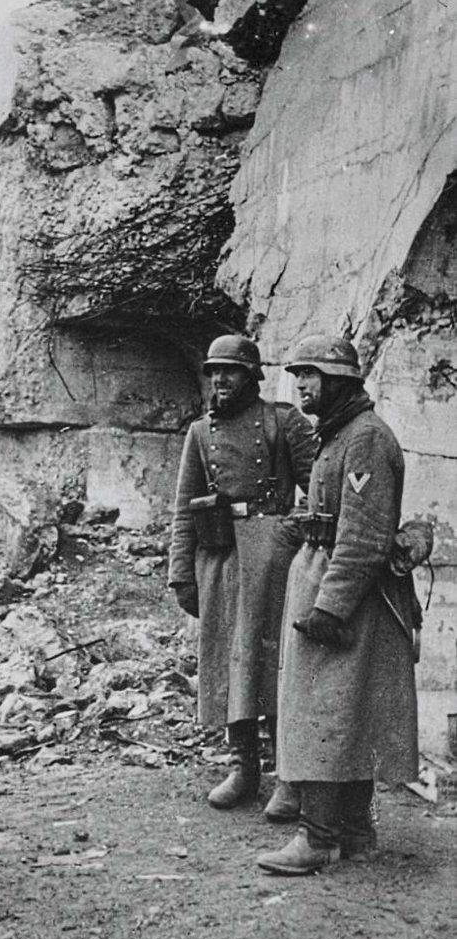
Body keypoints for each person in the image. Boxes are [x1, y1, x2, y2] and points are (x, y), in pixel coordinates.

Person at [257, 335, 419, 875]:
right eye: (299, 374)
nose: (301, 384)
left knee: (324, 712)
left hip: (348, 594)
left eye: (313, 375)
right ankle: (353, 832)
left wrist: (331, 607)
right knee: (339, 712)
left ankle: (319, 836)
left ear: (340, 381)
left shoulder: (366, 438)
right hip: (325, 574)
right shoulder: (339, 433)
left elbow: (366, 535)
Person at [168, 335, 314, 813]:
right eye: (213, 371)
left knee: (275, 665)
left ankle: (289, 776)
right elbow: (184, 507)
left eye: (230, 371)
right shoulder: (199, 433)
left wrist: (294, 531)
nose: (220, 380)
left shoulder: (284, 420)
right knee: (232, 663)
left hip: (274, 559)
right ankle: (243, 766)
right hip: (220, 558)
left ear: (253, 376)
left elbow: (319, 486)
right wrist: (181, 573)